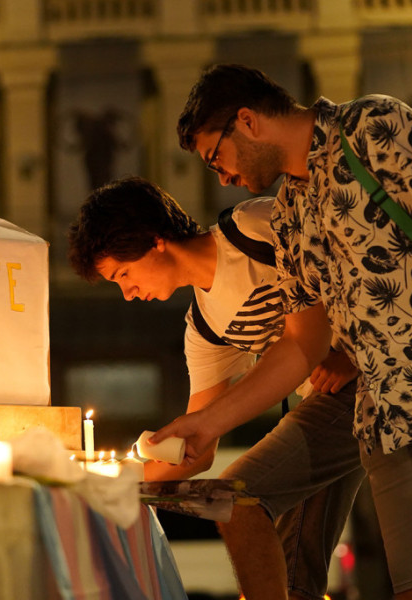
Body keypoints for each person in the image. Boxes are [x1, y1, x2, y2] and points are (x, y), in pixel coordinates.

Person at [151, 63, 412, 599]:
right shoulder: (288, 213)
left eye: (216, 157)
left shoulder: (372, 125)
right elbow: (302, 344)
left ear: (248, 122)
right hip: (384, 416)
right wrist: (206, 424)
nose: (222, 177)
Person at [67, 176, 365, 600]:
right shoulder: (205, 329)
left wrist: (353, 350)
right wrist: (110, 478)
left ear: (155, 241)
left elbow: (362, 259)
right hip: (325, 403)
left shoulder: (252, 230)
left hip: (378, 374)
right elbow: (198, 449)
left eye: (123, 274)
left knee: (242, 499)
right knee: (294, 573)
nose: (128, 294)